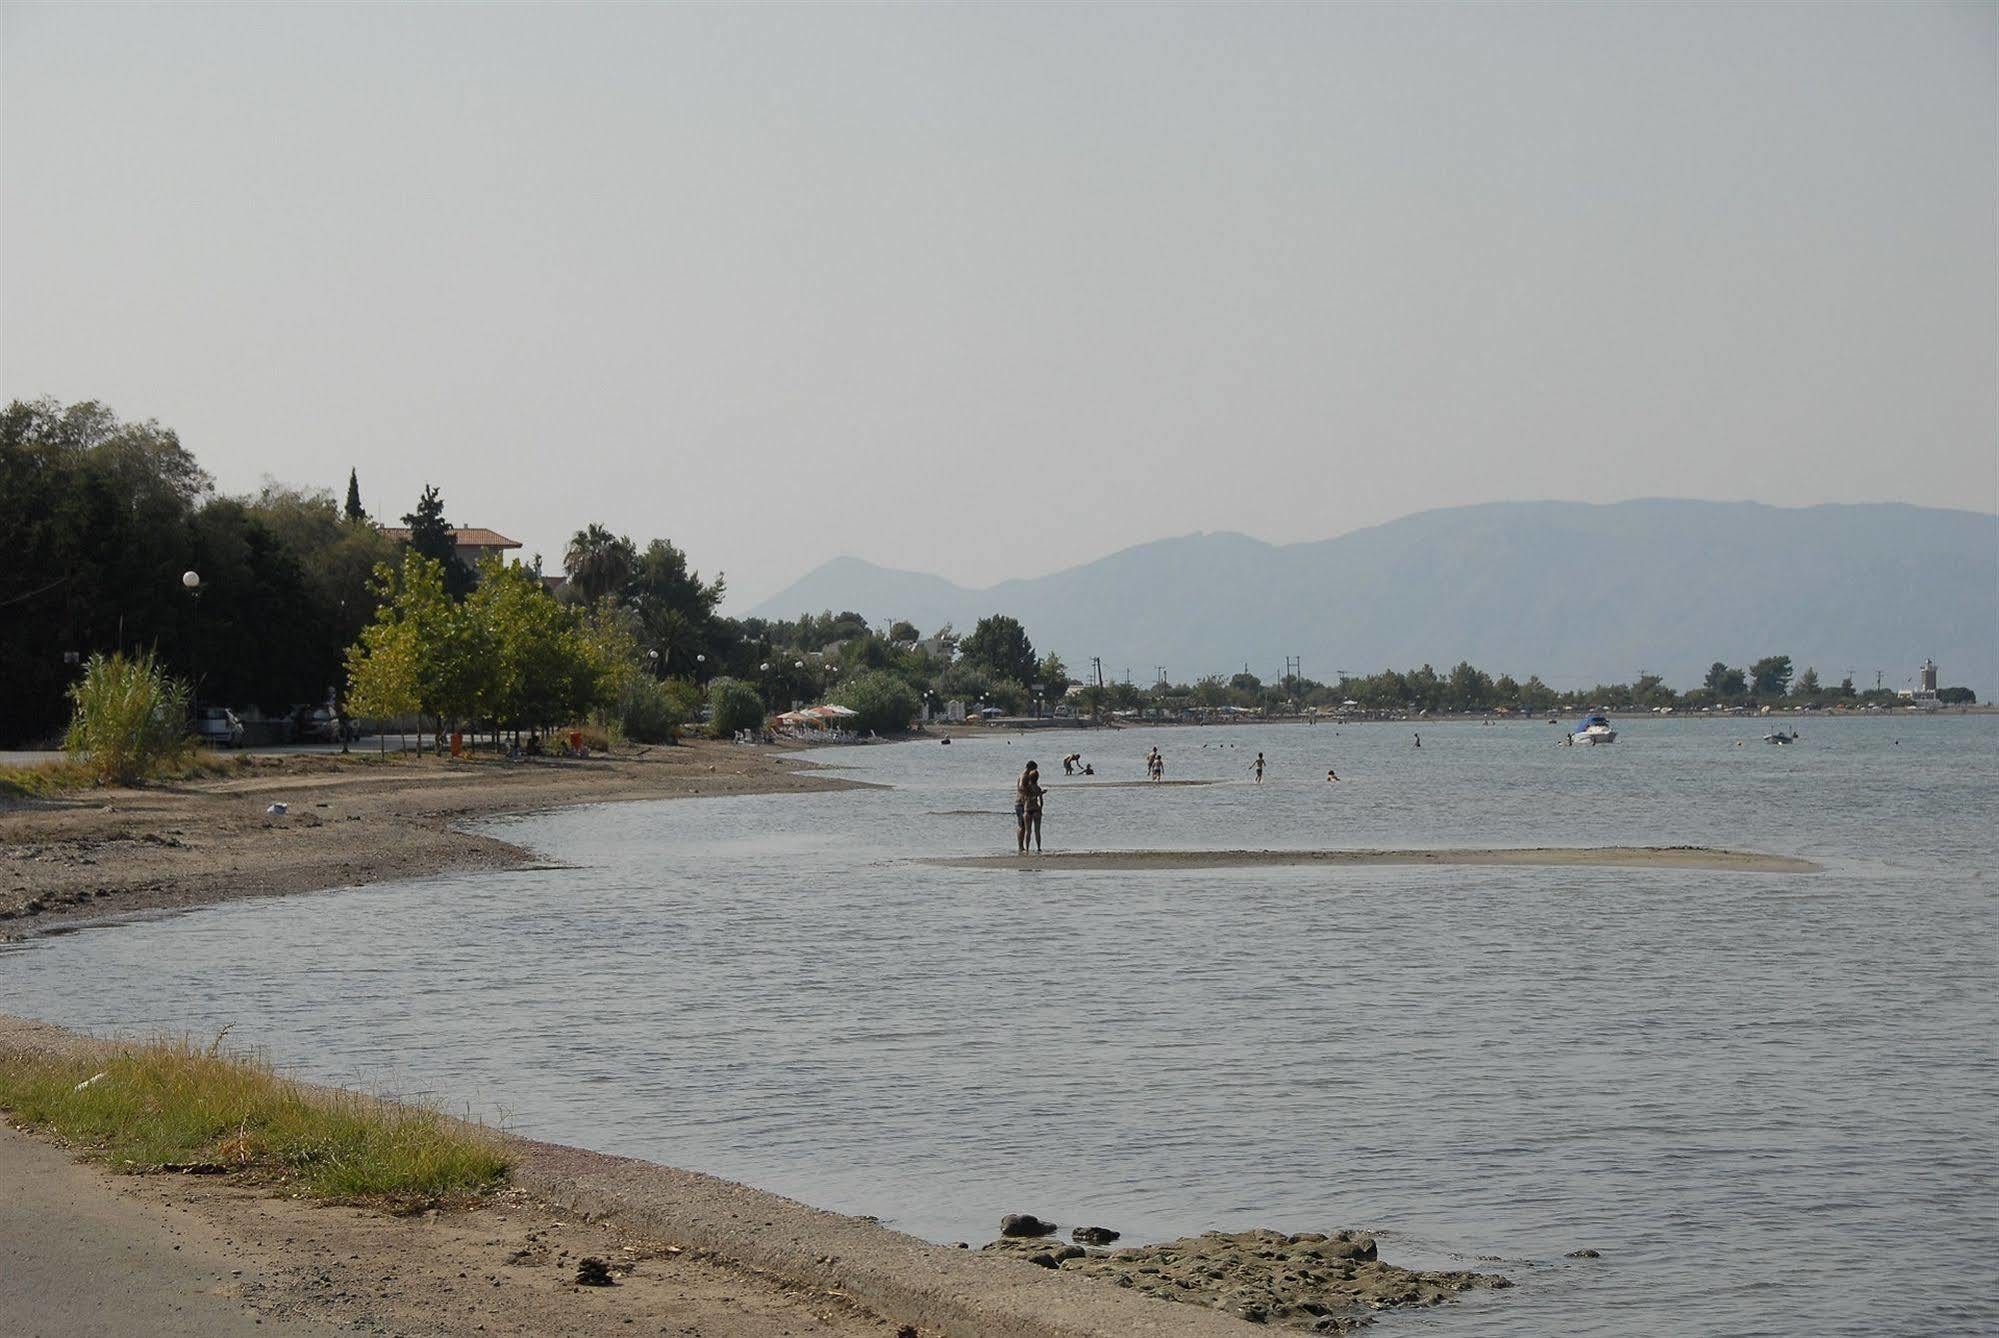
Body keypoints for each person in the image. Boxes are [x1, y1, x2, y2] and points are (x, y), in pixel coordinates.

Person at [1017, 760, 1044, 854]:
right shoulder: (1025, 778)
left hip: (1027, 808)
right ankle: (1032, 847)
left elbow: (1025, 793)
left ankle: (1026, 848)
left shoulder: (1028, 783)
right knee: (1030, 829)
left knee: (1027, 830)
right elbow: (1022, 790)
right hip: (1025, 805)